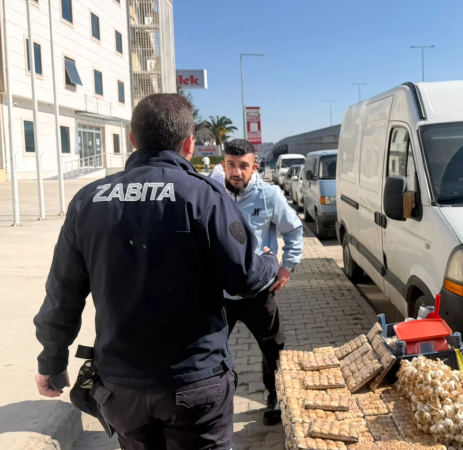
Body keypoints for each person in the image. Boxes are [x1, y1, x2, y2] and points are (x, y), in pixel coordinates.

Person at [33, 94, 279, 450]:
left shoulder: (89, 200)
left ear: (133, 139)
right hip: (194, 384)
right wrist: (270, 261)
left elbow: (62, 291)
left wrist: (52, 359)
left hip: (121, 387)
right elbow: (244, 278)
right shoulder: (205, 197)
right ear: (189, 144)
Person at [210, 139, 303, 425]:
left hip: (260, 293)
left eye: (243, 166)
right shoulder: (211, 192)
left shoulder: (269, 196)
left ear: (254, 167)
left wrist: (287, 267)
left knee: (273, 348)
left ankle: (274, 396)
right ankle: (211, 401)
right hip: (220, 294)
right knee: (209, 350)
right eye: (231, 165)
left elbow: (294, 230)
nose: (236, 172)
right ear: (224, 164)